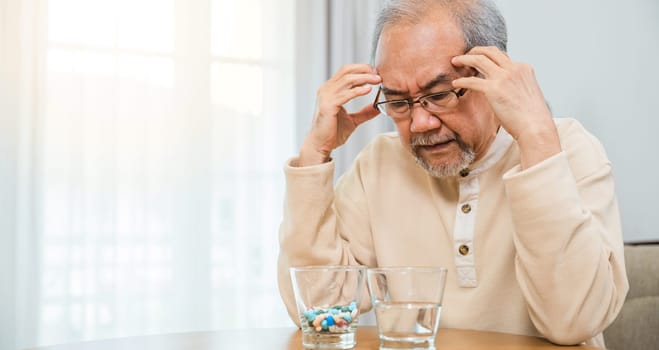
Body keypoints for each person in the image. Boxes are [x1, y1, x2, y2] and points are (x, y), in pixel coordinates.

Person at [277, 0, 628, 347]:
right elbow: (321, 308)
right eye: (399, 103)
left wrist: (536, 140)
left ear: (494, 75)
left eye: (441, 94)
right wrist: (314, 154)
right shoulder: (378, 164)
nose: (420, 123)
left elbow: (574, 322)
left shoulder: (566, 148)